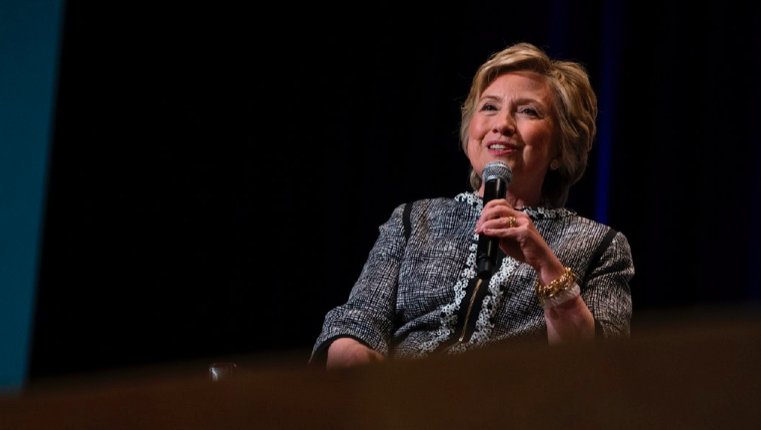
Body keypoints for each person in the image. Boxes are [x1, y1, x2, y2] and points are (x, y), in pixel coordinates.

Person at [310, 42, 634, 369]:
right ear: (470, 135)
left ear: (562, 148)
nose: (502, 124)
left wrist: (546, 266)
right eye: (489, 107)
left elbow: (603, 368)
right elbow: (358, 321)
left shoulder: (600, 245)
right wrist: (356, 360)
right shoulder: (414, 219)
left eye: (528, 111)